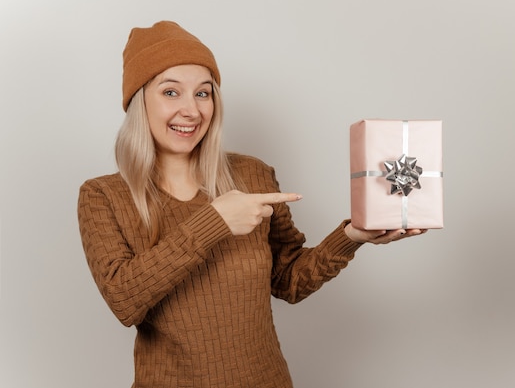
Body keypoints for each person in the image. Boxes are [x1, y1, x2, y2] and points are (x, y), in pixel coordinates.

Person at [77, 20, 427, 388]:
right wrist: (214, 221)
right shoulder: (102, 196)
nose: (192, 111)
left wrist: (352, 236)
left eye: (203, 93)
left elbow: (289, 280)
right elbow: (124, 300)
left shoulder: (252, 174)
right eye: (170, 92)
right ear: (139, 101)